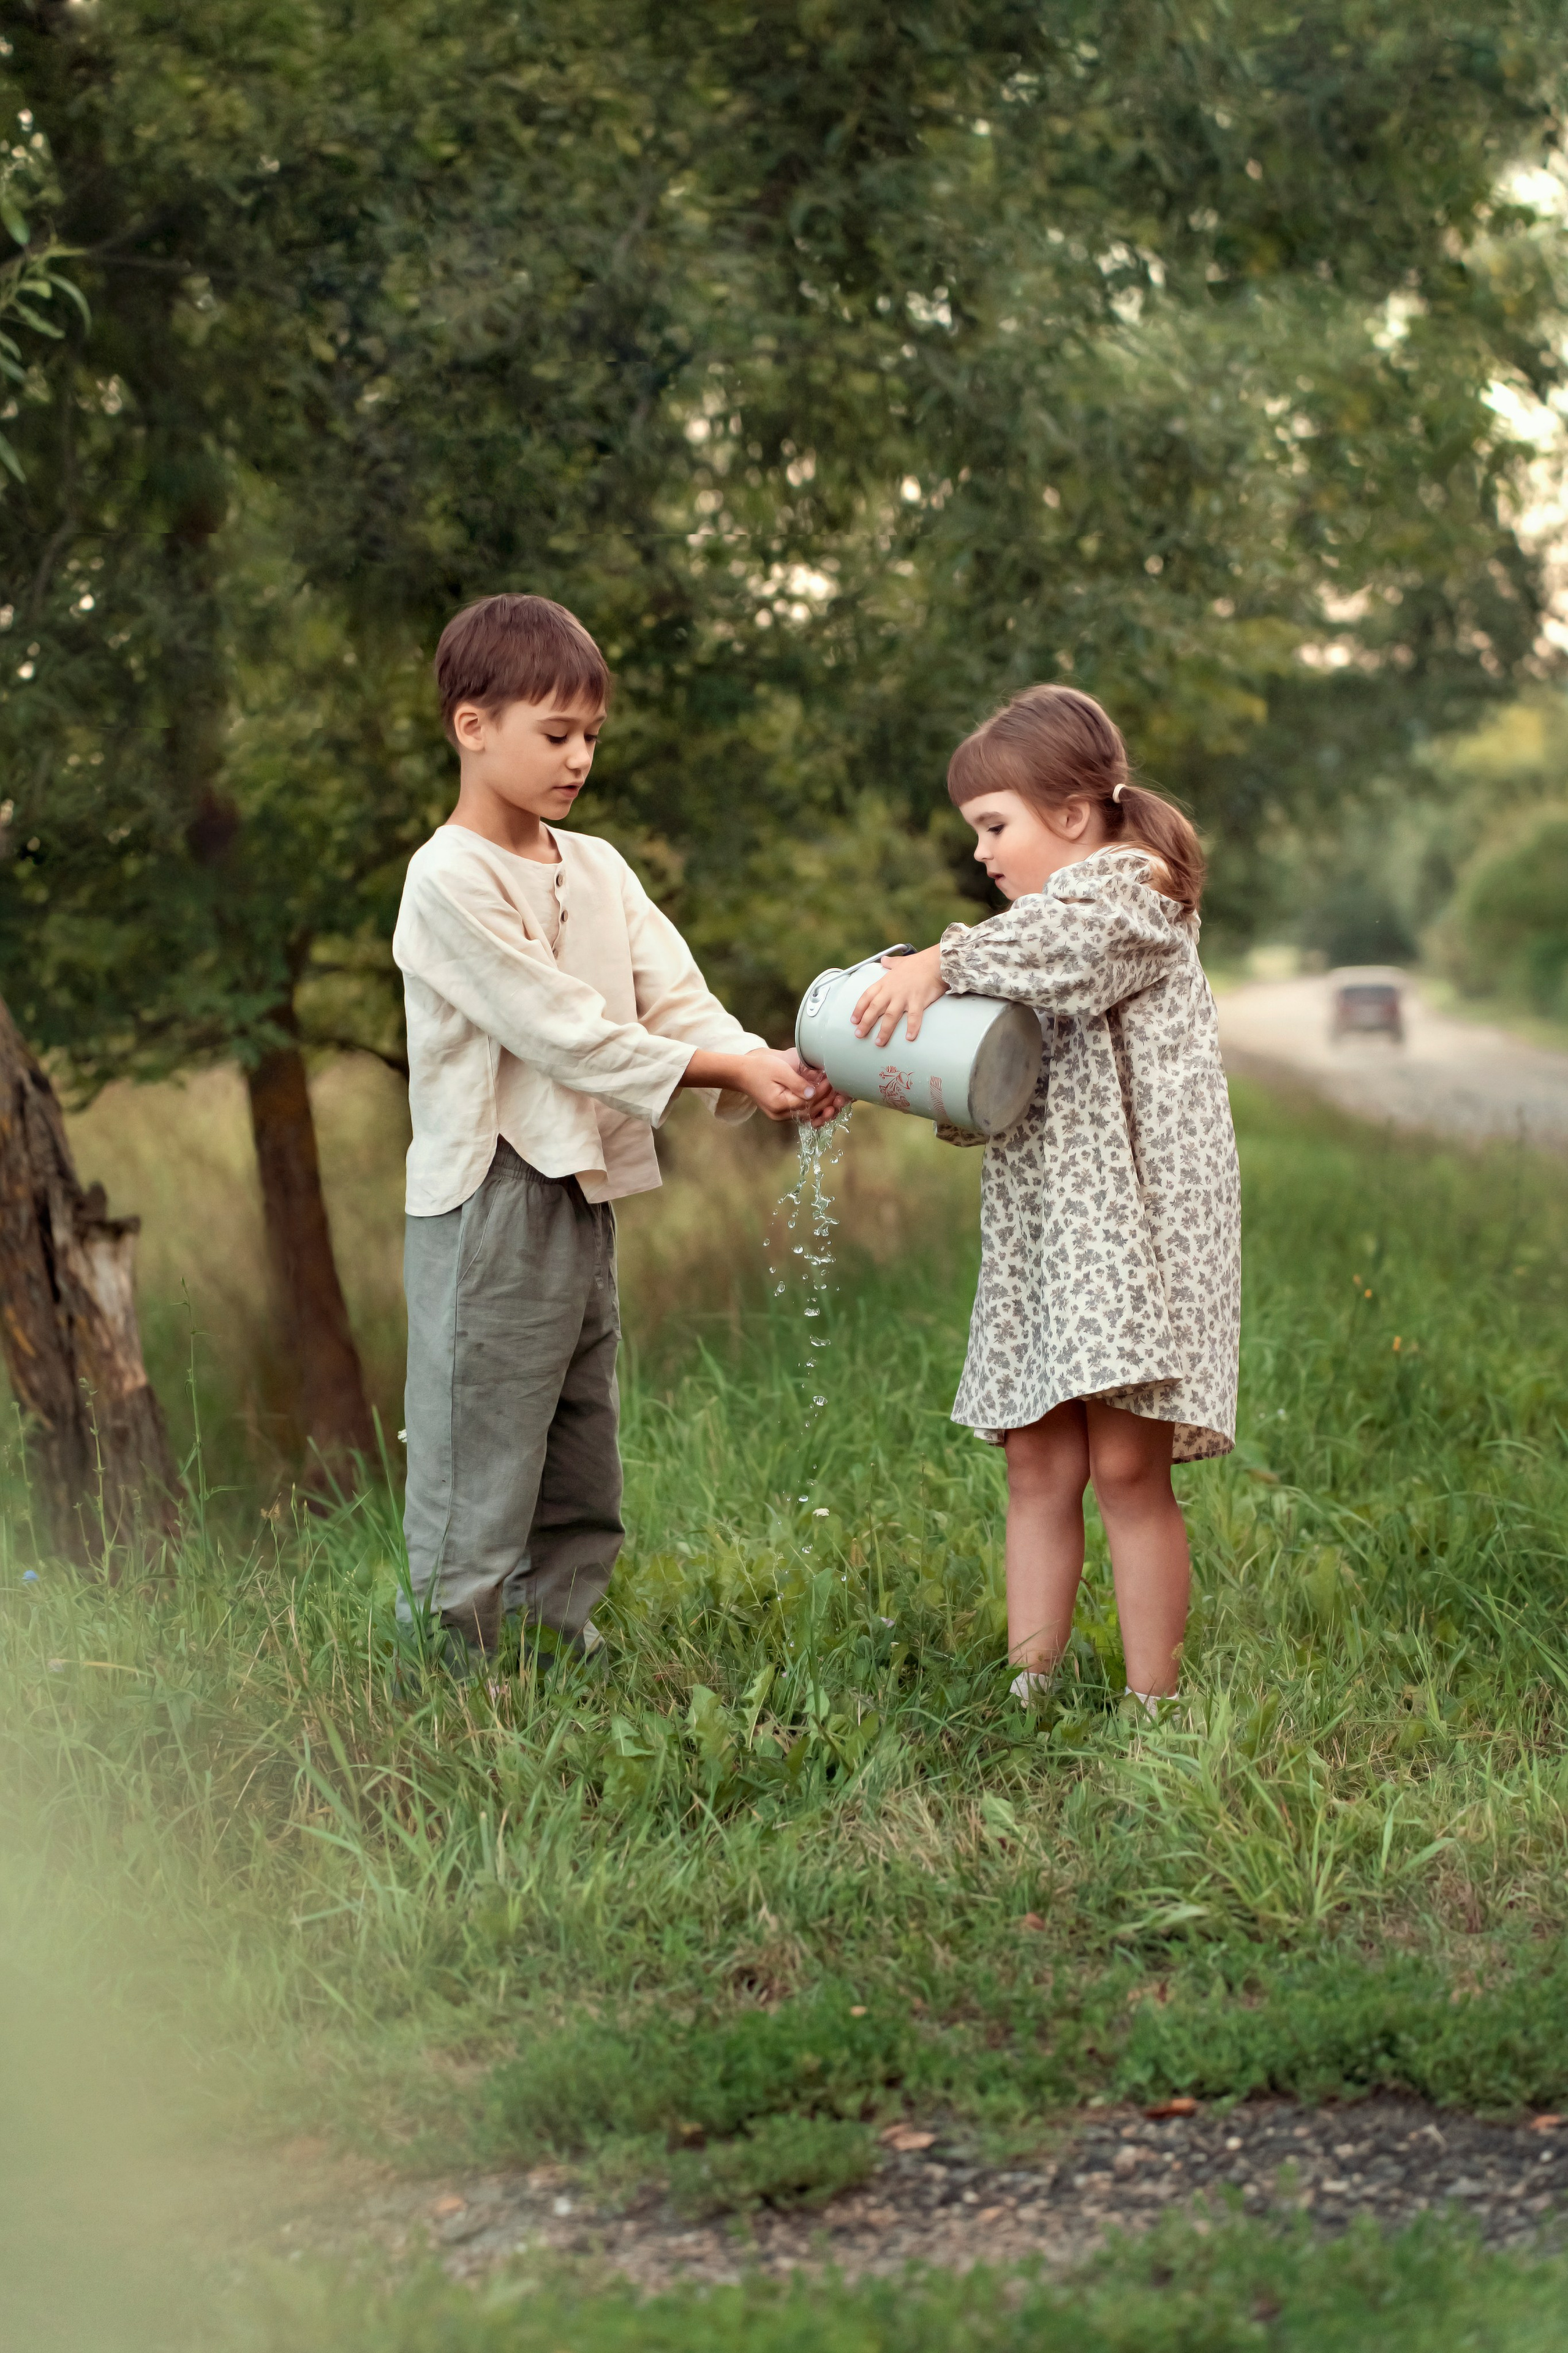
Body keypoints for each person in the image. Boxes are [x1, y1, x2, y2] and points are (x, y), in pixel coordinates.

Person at [393, 592, 838, 1672]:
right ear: (473, 725)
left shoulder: (597, 867)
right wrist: (727, 1069)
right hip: (489, 1194)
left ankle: (559, 1641)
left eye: (591, 735)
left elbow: (674, 1004)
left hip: (583, 1185)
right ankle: (454, 1671)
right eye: (556, 734)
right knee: (481, 1439)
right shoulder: (447, 877)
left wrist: (765, 1062)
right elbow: (565, 1034)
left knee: (578, 1437)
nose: (579, 757)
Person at [849, 685, 1240, 1711]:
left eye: (994, 825)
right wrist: (861, 1062)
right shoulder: (1027, 929)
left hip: (1130, 1242)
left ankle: (1154, 1703)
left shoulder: (1130, 896)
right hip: (1047, 1240)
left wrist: (941, 958)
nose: (980, 853)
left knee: (1124, 1467)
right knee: (1035, 1459)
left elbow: (1056, 959)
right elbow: (987, 1075)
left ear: (1072, 814)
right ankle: (1034, 1685)